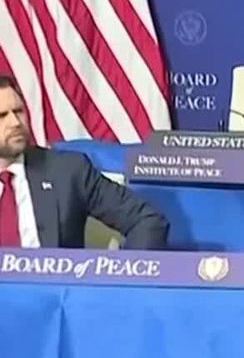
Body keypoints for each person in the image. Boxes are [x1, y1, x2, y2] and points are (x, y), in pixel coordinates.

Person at [0, 73, 169, 250]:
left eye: (18, 111)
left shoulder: (67, 171)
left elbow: (147, 220)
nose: (15, 122)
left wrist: (127, 266)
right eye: (2, 116)